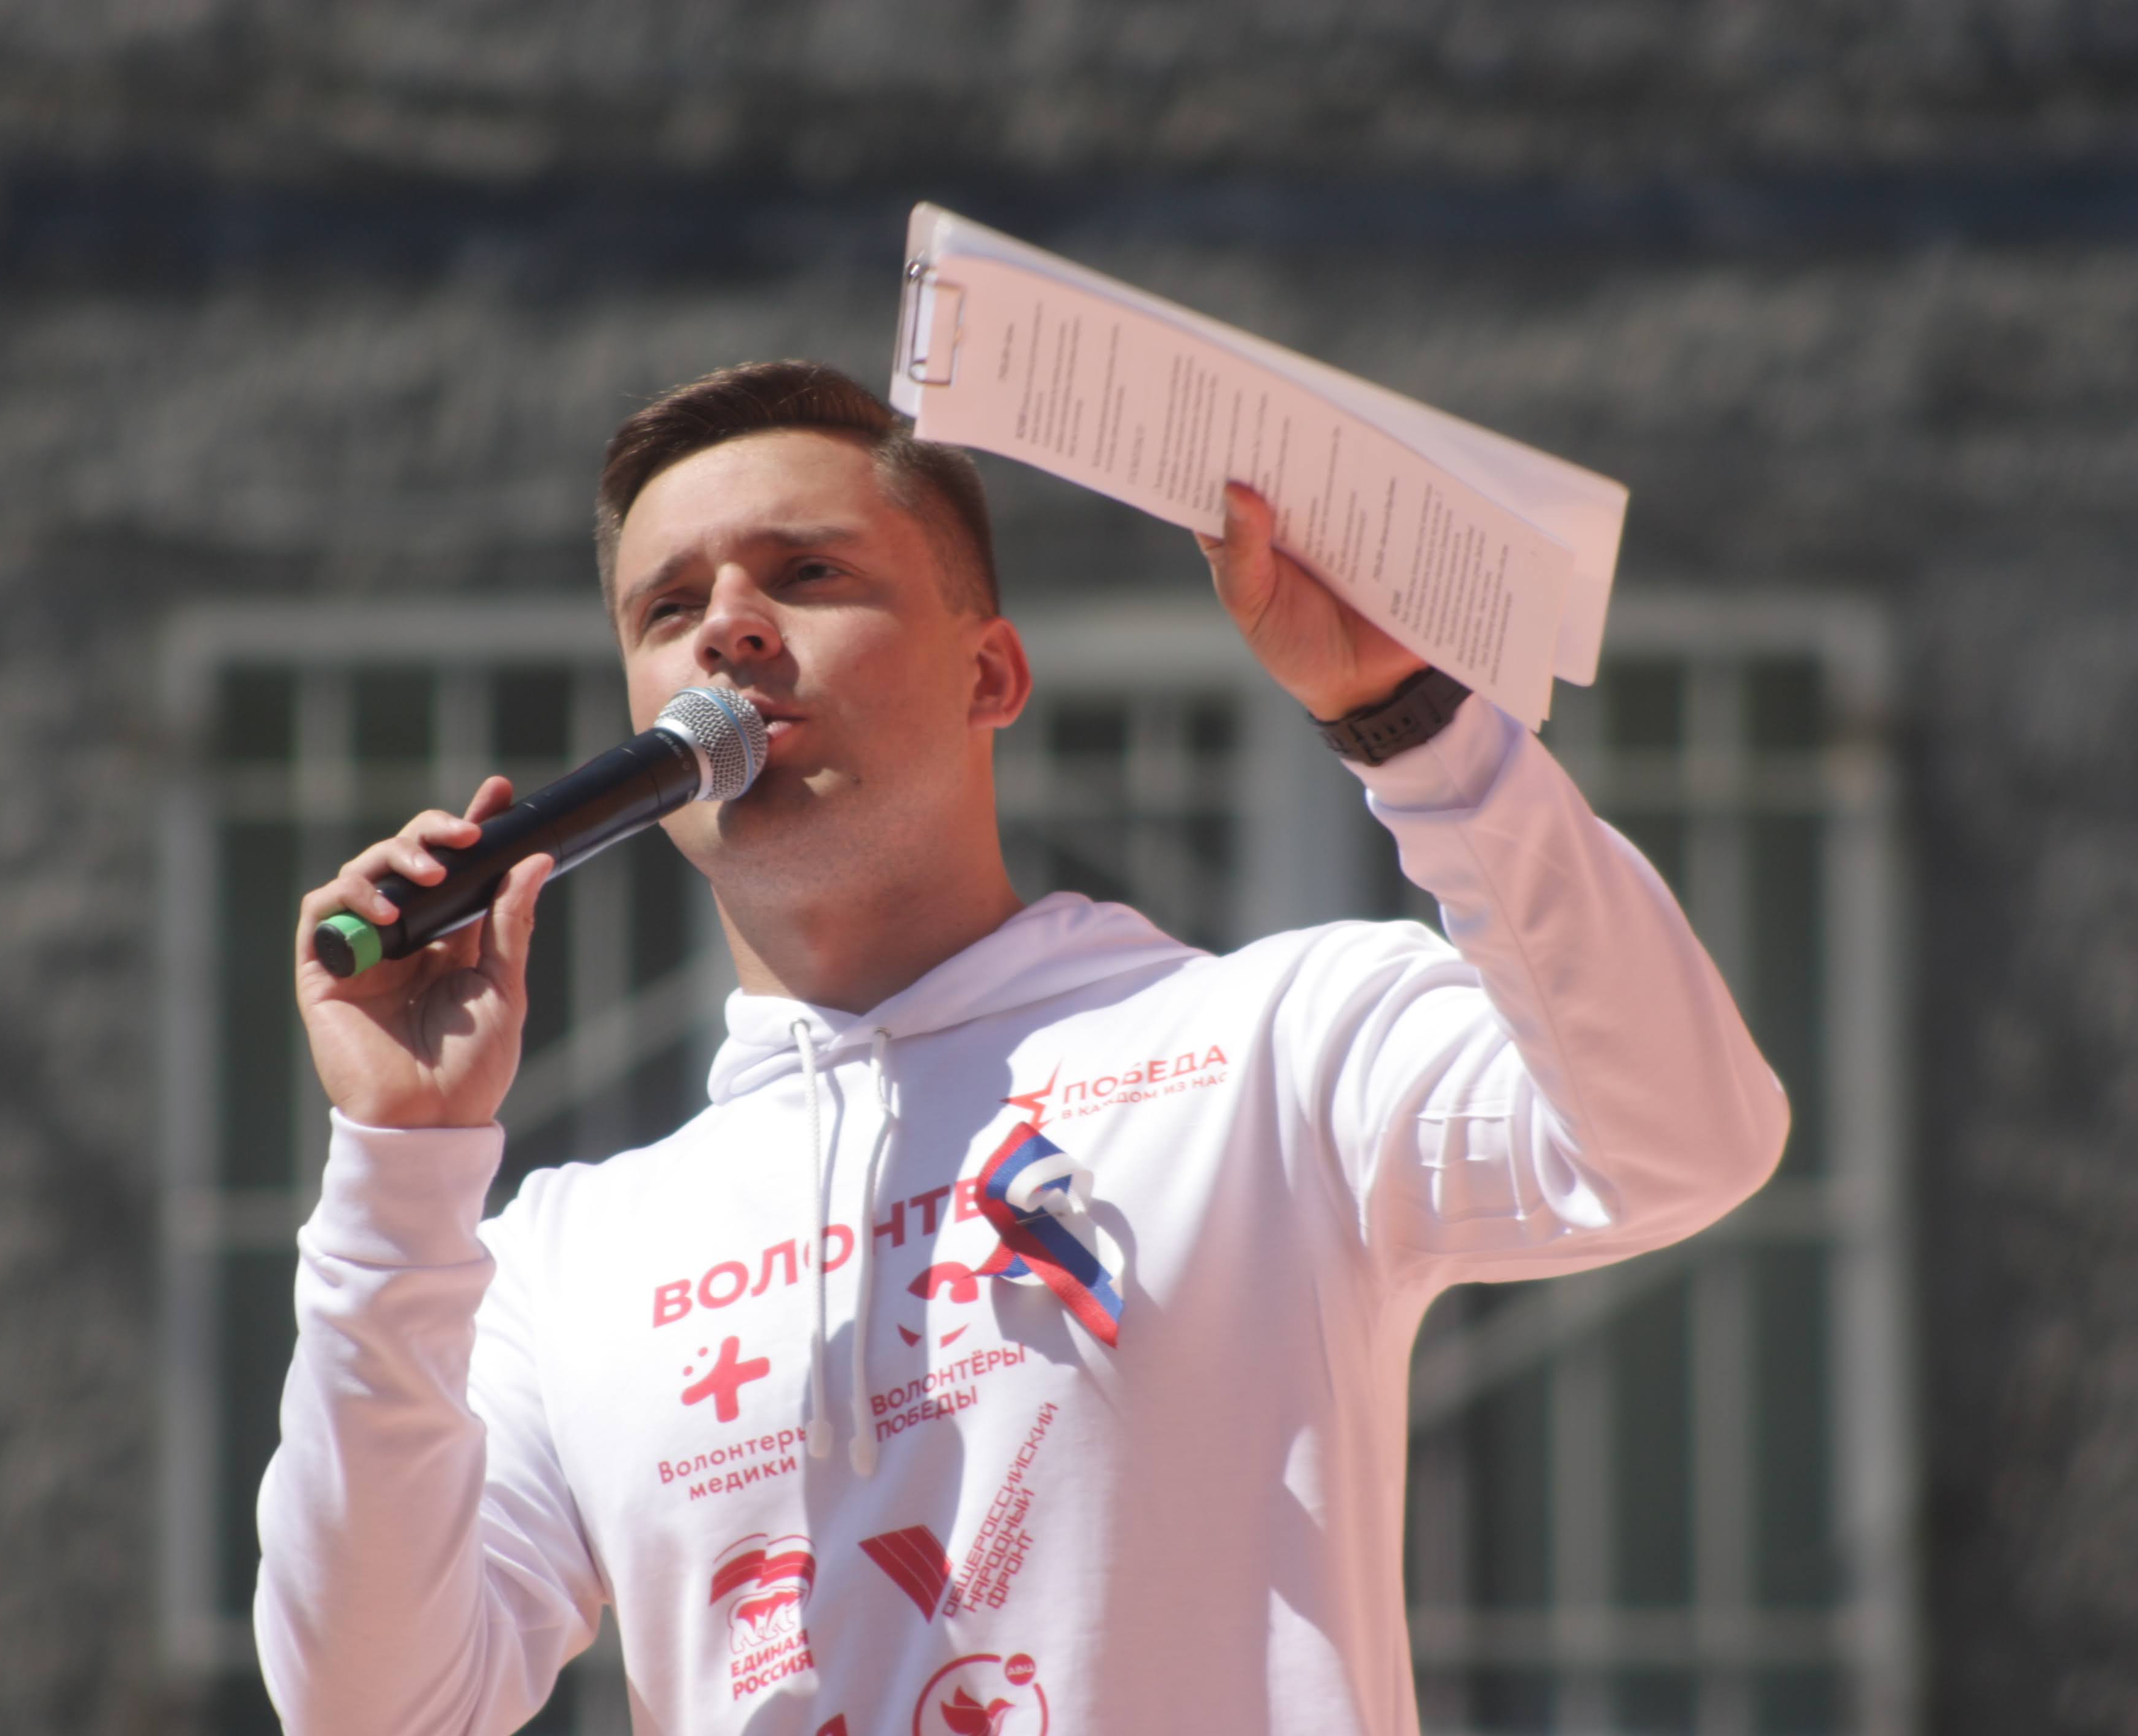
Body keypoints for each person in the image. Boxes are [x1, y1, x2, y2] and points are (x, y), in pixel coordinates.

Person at [254, 360, 1787, 1735]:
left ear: (990, 674)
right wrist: (400, 1167)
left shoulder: (1276, 1043)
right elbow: (375, 1710)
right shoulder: (564, 1258)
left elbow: (1682, 1141)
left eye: (807, 571)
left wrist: (1417, 726)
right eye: (668, 610)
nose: (727, 625)